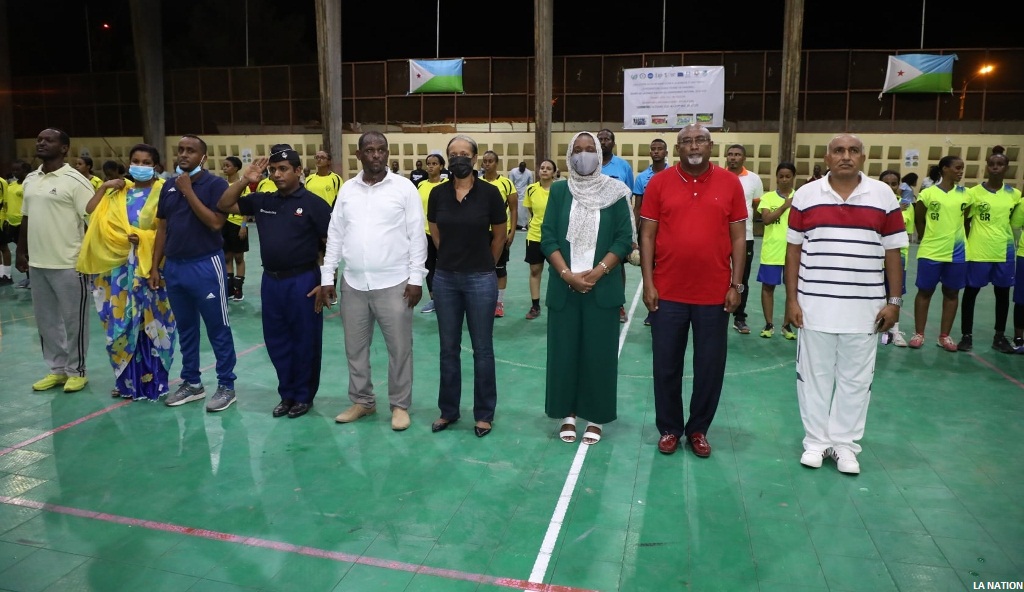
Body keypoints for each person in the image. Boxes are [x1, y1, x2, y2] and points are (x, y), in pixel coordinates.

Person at [786, 134, 908, 475]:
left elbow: (893, 252)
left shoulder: (883, 196)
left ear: (863, 158)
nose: (846, 156)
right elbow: (793, 250)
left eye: (853, 150)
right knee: (814, 377)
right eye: (838, 150)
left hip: (865, 310)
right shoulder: (806, 195)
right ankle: (815, 442)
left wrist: (894, 301)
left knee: (856, 380)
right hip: (814, 307)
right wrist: (792, 299)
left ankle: (845, 446)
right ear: (827, 157)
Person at [640, 124, 747, 459]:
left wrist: (736, 284)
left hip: (714, 295)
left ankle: (698, 429)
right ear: (677, 148)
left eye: (700, 139)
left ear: (711, 146)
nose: (693, 145)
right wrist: (648, 282)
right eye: (686, 141)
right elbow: (647, 236)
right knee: (666, 366)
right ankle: (670, 429)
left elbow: (739, 238)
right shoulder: (659, 183)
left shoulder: (730, 184)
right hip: (668, 292)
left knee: (709, 367)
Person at [319, 132, 427, 432]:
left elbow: (417, 235)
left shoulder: (404, 189)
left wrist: (416, 278)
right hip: (353, 284)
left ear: (387, 154)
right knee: (355, 348)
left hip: (395, 283)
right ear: (359, 155)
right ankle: (363, 401)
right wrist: (328, 275)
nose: (376, 155)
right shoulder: (348, 191)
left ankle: (400, 405)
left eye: (381, 150)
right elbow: (336, 234)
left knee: (399, 349)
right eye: (370, 150)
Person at [219, 145, 332, 418]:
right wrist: (246, 180)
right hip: (271, 282)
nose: (277, 174)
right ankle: (287, 394)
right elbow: (223, 205)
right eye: (273, 170)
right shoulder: (263, 201)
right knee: (277, 340)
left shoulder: (315, 205)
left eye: (283, 169)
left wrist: (327, 281)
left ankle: (304, 396)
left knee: (304, 341)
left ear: (298, 171)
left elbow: (333, 245)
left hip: (304, 281)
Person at [541, 133, 633, 445]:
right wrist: (567, 275)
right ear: (569, 155)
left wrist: (596, 273)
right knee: (564, 354)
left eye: (589, 149)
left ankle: (596, 416)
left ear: (600, 153)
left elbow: (622, 239)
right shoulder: (558, 190)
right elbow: (548, 237)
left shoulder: (616, 191)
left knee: (599, 355)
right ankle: (567, 414)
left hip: (601, 288)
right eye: (577, 150)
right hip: (564, 288)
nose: (584, 155)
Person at [76, 143, 176, 400]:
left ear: (156, 166)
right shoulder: (120, 191)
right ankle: (126, 382)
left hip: (149, 268)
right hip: (117, 272)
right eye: (136, 161)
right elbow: (90, 213)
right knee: (119, 327)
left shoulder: (163, 191)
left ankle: (154, 383)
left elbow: (168, 230)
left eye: (146, 162)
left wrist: (143, 239)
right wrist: (104, 187)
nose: (140, 166)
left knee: (151, 324)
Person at [149, 134, 238, 411]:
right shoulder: (168, 186)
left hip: (205, 266)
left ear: (203, 157)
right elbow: (162, 228)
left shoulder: (216, 185)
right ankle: (192, 383)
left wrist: (188, 190)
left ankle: (226, 385)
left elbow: (214, 223)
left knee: (217, 327)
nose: (184, 155)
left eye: (191, 151)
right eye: (181, 150)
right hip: (175, 267)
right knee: (186, 328)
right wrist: (155, 265)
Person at [427, 134, 506, 437]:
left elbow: (499, 235)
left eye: (464, 153)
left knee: (482, 349)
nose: (458, 157)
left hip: (480, 279)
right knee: (448, 349)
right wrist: (451, 258)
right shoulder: (438, 194)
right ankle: (448, 411)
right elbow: (436, 234)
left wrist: (484, 263)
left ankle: (484, 413)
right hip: (446, 278)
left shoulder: (489, 194)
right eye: (453, 153)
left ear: (474, 159)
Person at [15, 129, 95, 393]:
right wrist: (21, 251)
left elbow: (91, 219)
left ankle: (77, 370)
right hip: (38, 263)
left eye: (48, 140)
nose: (41, 142)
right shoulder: (31, 179)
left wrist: (90, 257)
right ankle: (57, 369)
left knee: (74, 321)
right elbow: (26, 217)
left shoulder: (75, 180)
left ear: (64, 149)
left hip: (69, 263)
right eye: (39, 139)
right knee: (46, 321)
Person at [958, 147, 1019, 354]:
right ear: (987, 167)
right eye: (991, 164)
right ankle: (966, 336)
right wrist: (967, 243)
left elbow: (1014, 221)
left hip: (1004, 251)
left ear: (1006, 168)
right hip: (978, 251)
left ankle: (999, 337)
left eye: (999, 164)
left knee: (1002, 295)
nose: (995, 168)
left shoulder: (1014, 194)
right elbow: (964, 220)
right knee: (971, 293)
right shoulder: (973, 193)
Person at [909, 155, 968, 351]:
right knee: (925, 291)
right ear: (944, 169)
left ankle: (944, 336)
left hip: (957, 253)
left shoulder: (966, 194)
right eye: (957, 168)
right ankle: (919, 334)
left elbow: (966, 222)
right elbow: (919, 221)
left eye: (962, 168)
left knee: (952, 293)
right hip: (931, 252)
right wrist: (930, 240)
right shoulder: (928, 194)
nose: (960, 171)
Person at [725, 143, 764, 335]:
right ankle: (718, 312)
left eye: (737, 154)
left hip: (746, 236)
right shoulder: (718, 177)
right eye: (730, 154)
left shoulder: (754, 180)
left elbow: (756, 206)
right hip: (720, 237)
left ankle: (739, 317)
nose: (733, 157)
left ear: (744, 158)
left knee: (742, 279)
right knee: (719, 276)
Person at [597, 129, 635, 323]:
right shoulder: (591, 165)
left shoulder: (623, 166)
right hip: (594, 222)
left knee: (617, 265)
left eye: (607, 139)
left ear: (613, 142)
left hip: (616, 225)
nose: (603, 142)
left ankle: (619, 304)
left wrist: (632, 234)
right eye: (600, 139)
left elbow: (628, 197)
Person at [757, 162, 797, 340]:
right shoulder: (768, 198)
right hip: (772, 250)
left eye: (788, 176)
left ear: (793, 178)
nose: (784, 179)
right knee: (768, 287)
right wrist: (784, 206)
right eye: (781, 176)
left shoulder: (801, 197)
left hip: (794, 252)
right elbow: (766, 219)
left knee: (792, 289)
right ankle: (769, 324)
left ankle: (787, 325)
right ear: (777, 178)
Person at [633, 138, 670, 326]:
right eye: (653, 149)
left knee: (667, 271)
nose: (656, 152)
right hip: (649, 232)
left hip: (670, 232)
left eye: (660, 149)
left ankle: (667, 308)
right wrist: (634, 233)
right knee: (649, 270)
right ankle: (652, 310)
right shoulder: (641, 178)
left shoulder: (674, 174)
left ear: (666, 152)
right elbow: (638, 208)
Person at [480, 150, 518, 318]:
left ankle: (498, 303)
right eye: (485, 161)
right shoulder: (476, 183)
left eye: (490, 161)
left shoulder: (506, 183)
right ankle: (481, 300)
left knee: (499, 269)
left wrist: (512, 232)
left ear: (497, 164)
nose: (487, 164)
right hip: (480, 232)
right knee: (479, 268)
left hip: (500, 233)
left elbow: (514, 208)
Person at [879, 170, 914, 347]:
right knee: (877, 293)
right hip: (876, 257)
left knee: (895, 294)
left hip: (899, 257)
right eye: (886, 183)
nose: (891, 187)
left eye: (894, 184)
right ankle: (877, 328)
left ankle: (895, 330)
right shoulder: (875, 204)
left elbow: (905, 234)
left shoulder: (907, 207)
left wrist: (896, 212)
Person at [523, 159, 556, 320]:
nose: (544, 170)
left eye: (548, 168)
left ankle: (557, 304)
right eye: (542, 168)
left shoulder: (559, 189)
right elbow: (530, 210)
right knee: (535, 270)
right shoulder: (531, 189)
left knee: (558, 272)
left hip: (555, 238)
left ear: (554, 173)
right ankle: (535, 306)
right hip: (535, 236)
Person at [417, 153, 447, 314]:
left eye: (435, 163)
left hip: (444, 233)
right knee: (429, 266)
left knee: (446, 265)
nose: (430, 166)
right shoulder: (421, 185)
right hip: (425, 233)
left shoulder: (448, 184)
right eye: (429, 163)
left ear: (441, 167)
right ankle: (434, 299)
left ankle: (448, 297)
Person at [220, 156, 250, 302]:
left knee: (239, 257)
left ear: (236, 168)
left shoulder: (242, 185)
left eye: (227, 166)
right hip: (224, 224)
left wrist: (243, 225)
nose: (224, 168)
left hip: (238, 225)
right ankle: (229, 288)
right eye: (223, 166)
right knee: (227, 257)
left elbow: (246, 207)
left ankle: (239, 289)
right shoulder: (222, 185)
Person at [5, 161, 30, 288]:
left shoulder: (28, 185)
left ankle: (31, 278)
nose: (14, 173)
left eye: (17, 170)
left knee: (28, 252)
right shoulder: (12, 185)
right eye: (13, 170)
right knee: (19, 251)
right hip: (12, 223)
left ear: (25, 170)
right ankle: (27, 277)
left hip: (24, 223)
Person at [509, 161, 534, 229]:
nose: (522, 169)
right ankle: (515, 224)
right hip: (515, 191)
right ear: (519, 166)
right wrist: (514, 192)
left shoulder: (529, 173)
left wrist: (529, 194)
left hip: (524, 192)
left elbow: (531, 184)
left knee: (524, 210)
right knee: (515, 208)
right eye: (521, 168)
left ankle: (524, 225)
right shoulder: (513, 171)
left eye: (523, 168)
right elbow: (511, 183)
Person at [0, 172, 10, 285]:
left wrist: (6, 219)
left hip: (1, 219)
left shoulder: (2, 182)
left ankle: (7, 275)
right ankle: (1, 273)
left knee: (4, 247)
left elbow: (6, 202)